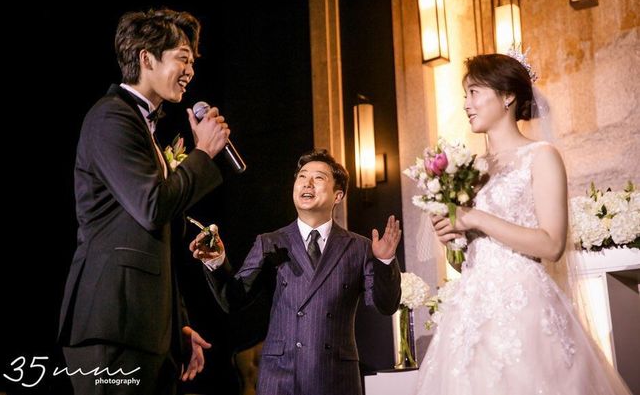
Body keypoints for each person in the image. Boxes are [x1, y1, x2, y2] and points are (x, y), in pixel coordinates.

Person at [415, 53, 632, 394]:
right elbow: (469, 259)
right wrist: (453, 240)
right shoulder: (472, 170)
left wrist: (475, 218)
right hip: (473, 310)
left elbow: (552, 244)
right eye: (465, 95)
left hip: (524, 306)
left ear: (507, 96)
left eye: (474, 92)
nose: (466, 104)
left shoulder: (541, 155)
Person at [58, 8, 231, 395]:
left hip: (144, 328)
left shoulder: (143, 127)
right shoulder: (110, 118)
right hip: (112, 325)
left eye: (192, 62)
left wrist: (174, 324)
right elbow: (153, 207)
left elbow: (154, 240)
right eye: (182, 59)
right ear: (146, 58)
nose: (190, 71)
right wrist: (203, 152)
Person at [190, 149, 402, 395]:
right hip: (281, 376)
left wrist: (385, 261)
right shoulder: (270, 242)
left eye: (319, 177)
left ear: (338, 195)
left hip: (336, 376)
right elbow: (233, 298)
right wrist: (216, 260)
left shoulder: (359, 247)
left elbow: (386, 306)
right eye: (302, 176)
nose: (307, 183)